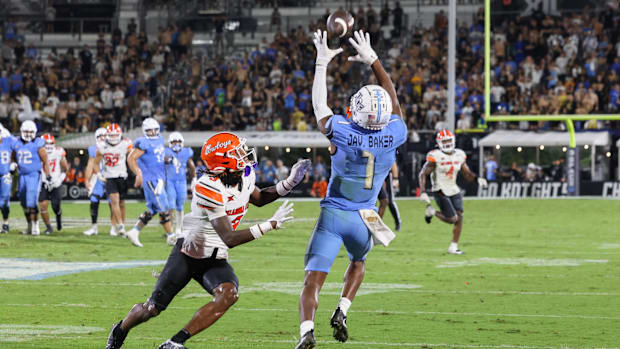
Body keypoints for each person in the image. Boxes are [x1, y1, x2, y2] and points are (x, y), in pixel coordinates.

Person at [105, 132, 311, 349]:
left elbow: (258, 198)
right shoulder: (207, 186)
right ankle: (119, 332)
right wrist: (269, 225)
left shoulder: (244, 174)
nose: (244, 154)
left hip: (215, 257)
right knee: (152, 309)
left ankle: (175, 343)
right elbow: (229, 237)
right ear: (224, 160)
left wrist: (288, 183)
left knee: (229, 294)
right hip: (187, 255)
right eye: (237, 152)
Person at [295, 30, 407, 349]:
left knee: (313, 280)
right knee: (358, 262)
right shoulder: (394, 134)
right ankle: (342, 310)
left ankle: (306, 331)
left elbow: (320, 105)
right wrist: (373, 60)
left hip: (334, 215)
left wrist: (321, 62)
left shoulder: (340, 132)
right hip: (364, 217)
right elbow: (395, 103)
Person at [418, 130, 488, 255]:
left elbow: (467, 173)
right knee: (452, 219)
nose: (447, 143)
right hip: (439, 189)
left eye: (448, 140)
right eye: (444, 141)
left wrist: (477, 179)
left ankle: (453, 247)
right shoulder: (435, 156)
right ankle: (432, 211)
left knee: (460, 217)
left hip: (453, 188)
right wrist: (423, 191)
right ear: (438, 143)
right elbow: (423, 173)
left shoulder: (460, 155)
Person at [125, 118, 173, 247]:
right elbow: (131, 159)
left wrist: (166, 160)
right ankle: (171, 236)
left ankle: (134, 232)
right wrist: (138, 173)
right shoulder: (143, 142)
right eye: (149, 130)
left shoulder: (160, 139)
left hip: (159, 177)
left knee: (152, 209)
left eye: (154, 129)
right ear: (145, 130)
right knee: (163, 207)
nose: (152, 132)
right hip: (151, 178)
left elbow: (156, 156)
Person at [87, 123, 133, 237]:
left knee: (121, 203)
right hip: (109, 176)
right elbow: (95, 163)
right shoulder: (102, 146)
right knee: (114, 201)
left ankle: (121, 224)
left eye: (115, 135)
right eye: (111, 135)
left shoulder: (125, 144)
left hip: (122, 176)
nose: (113, 138)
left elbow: (133, 157)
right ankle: (120, 226)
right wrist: (98, 174)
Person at [12, 120, 51, 235]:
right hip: (22, 175)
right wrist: (13, 163)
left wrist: (47, 175)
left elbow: (45, 161)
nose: (28, 134)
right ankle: (29, 225)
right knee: (23, 202)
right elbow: (13, 156)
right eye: (26, 131)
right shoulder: (16, 143)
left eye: (30, 131)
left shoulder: (38, 143)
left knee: (31, 201)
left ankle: (35, 225)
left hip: (34, 175)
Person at [164, 132, 196, 236]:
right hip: (170, 181)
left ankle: (178, 228)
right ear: (170, 143)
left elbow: (191, 164)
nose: (176, 144)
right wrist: (169, 159)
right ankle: (170, 229)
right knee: (170, 206)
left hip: (182, 181)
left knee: (180, 206)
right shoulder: (166, 151)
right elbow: (162, 160)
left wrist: (194, 178)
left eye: (178, 141)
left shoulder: (187, 152)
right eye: (174, 142)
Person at [39, 133, 68, 234]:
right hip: (43, 182)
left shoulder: (58, 152)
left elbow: (65, 168)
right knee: (42, 205)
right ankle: (49, 227)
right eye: (46, 143)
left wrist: (60, 179)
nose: (49, 145)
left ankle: (58, 214)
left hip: (56, 182)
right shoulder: (37, 152)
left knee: (55, 206)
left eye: (51, 143)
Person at [83, 128, 109, 236]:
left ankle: (116, 227)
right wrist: (86, 179)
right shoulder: (93, 149)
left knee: (114, 202)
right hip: (98, 177)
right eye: (100, 136)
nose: (102, 138)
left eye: (104, 135)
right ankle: (94, 227)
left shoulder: (113, 147)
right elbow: (90, 165)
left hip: (111, 176)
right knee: (94, 200)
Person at [377, 162, 402, 231]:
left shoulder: (386, 151)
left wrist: (396, 178)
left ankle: (397, 221)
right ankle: (375, 224)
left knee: (389, 201)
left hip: (386, 174)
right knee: (373, 202)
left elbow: (393, 162)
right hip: (374, 175)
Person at [0, 126, 15, 233]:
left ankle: (5, 223)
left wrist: (14, 163)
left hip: (5, 175)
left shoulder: (8, 141)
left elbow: (18, 150)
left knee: (5, 201)